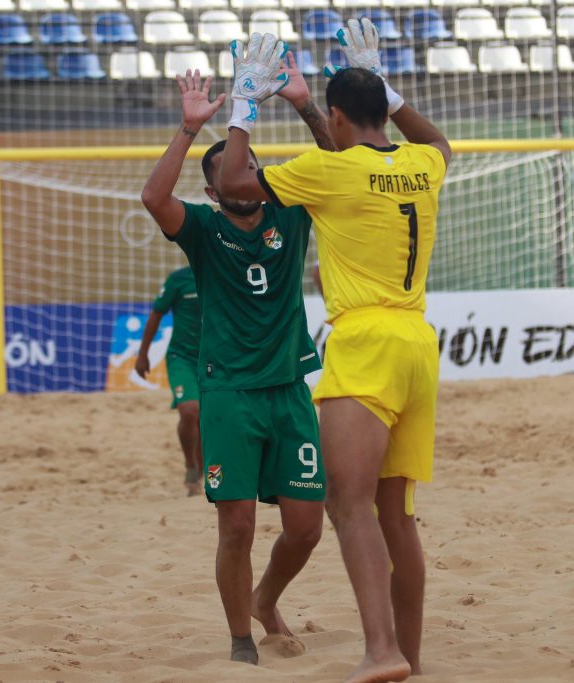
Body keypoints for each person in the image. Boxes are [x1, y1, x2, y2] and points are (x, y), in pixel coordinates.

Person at [218, 21, 451, 683]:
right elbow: (434, 137)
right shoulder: (419, 164)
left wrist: (246, 99)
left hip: (366, 342)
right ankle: (409, 649)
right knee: (395, 513)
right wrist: (378, 82)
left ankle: (380, 652)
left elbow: (235, 179)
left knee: (347, 505)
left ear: (340, 116)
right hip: (416, 344)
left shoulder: (331, 172)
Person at [139, 60, 336, 667]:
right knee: (238, 528)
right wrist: (189, 129)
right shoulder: (199, 228)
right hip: (229, 394)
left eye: (251, 165)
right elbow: (152, 196)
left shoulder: (289, 213)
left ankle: (264, 598)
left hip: (288, 391)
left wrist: (306, 106)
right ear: (213, 188)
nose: (247, 173)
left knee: (306, 528)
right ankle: (241, 640)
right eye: (234, 169)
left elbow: (335, 166)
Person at [135, 265, 202, 495]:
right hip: (181, 357)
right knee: (190, 410)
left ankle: (204, 472)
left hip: (215, 356)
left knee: (210, 418)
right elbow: (156, 313)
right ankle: (191, 466)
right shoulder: (178, 280)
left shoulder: (223, 270)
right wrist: (143, 353)